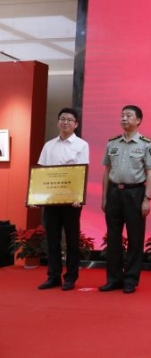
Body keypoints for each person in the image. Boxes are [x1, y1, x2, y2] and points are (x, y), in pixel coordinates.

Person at [99, 105, 151, 294]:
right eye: (122, 115)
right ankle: (114, 279)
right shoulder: (112, 143)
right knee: (113, 238)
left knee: (135, 238)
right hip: (114, 193)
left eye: (128, 115)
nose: (124, 118)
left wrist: (147, 199)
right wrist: (104, 196)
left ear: (138, 120)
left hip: (135, 194)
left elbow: (150, 173)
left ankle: (131, 280)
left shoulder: (146, 144)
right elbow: (107, 171)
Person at [36, 108, 90, 291]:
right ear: (58, 122)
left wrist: (78, 196)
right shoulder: (49, 145)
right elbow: (41, 173)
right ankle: (53, 276)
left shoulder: (81, 145)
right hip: (51, 199)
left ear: (76, 124)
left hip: (71, 200)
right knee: (52, 239)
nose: (65, 122)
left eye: (69, 120)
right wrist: (37, 196)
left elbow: (81, 173)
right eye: (62, 119)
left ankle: (70, 277)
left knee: (72, 240)